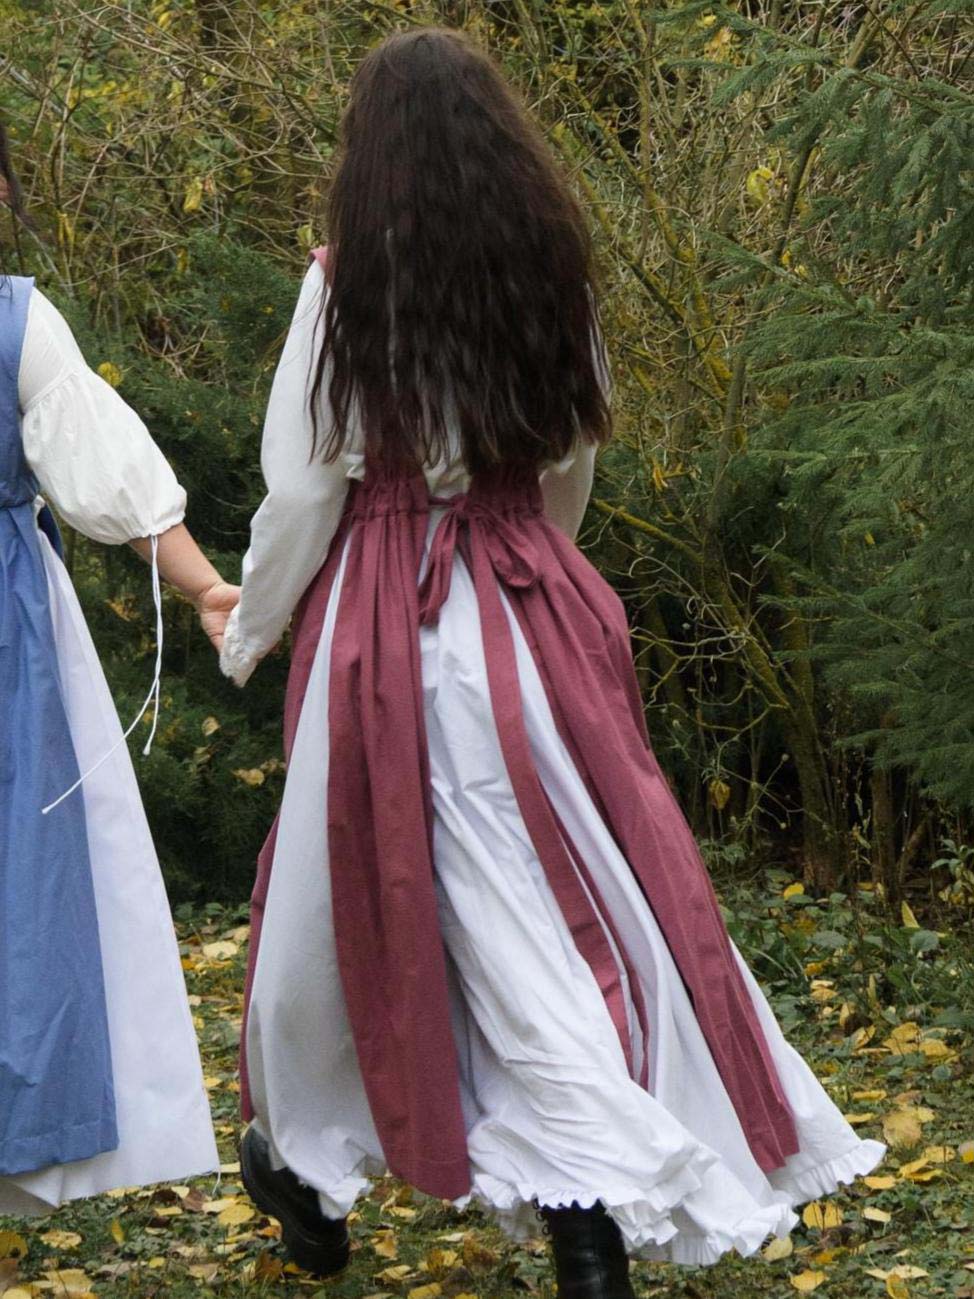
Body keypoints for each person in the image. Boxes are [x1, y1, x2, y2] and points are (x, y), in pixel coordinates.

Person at [222, 29, 885, 1298]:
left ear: (369, 157)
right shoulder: (550, 277)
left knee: (350, 907)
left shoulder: (342, 285)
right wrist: (530, 575)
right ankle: (309, 1163)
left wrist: (252, 628)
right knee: (544, 901)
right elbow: (570, 460)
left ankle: (505, 1196)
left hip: (389, 627)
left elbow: (305, 491)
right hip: (526, 610)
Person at [0, 121, 226, 1212]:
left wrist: (199, 584)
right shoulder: (14, 321)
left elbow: (102, 467)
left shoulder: (17, 324)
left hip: (10, 650)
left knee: (22, 904)